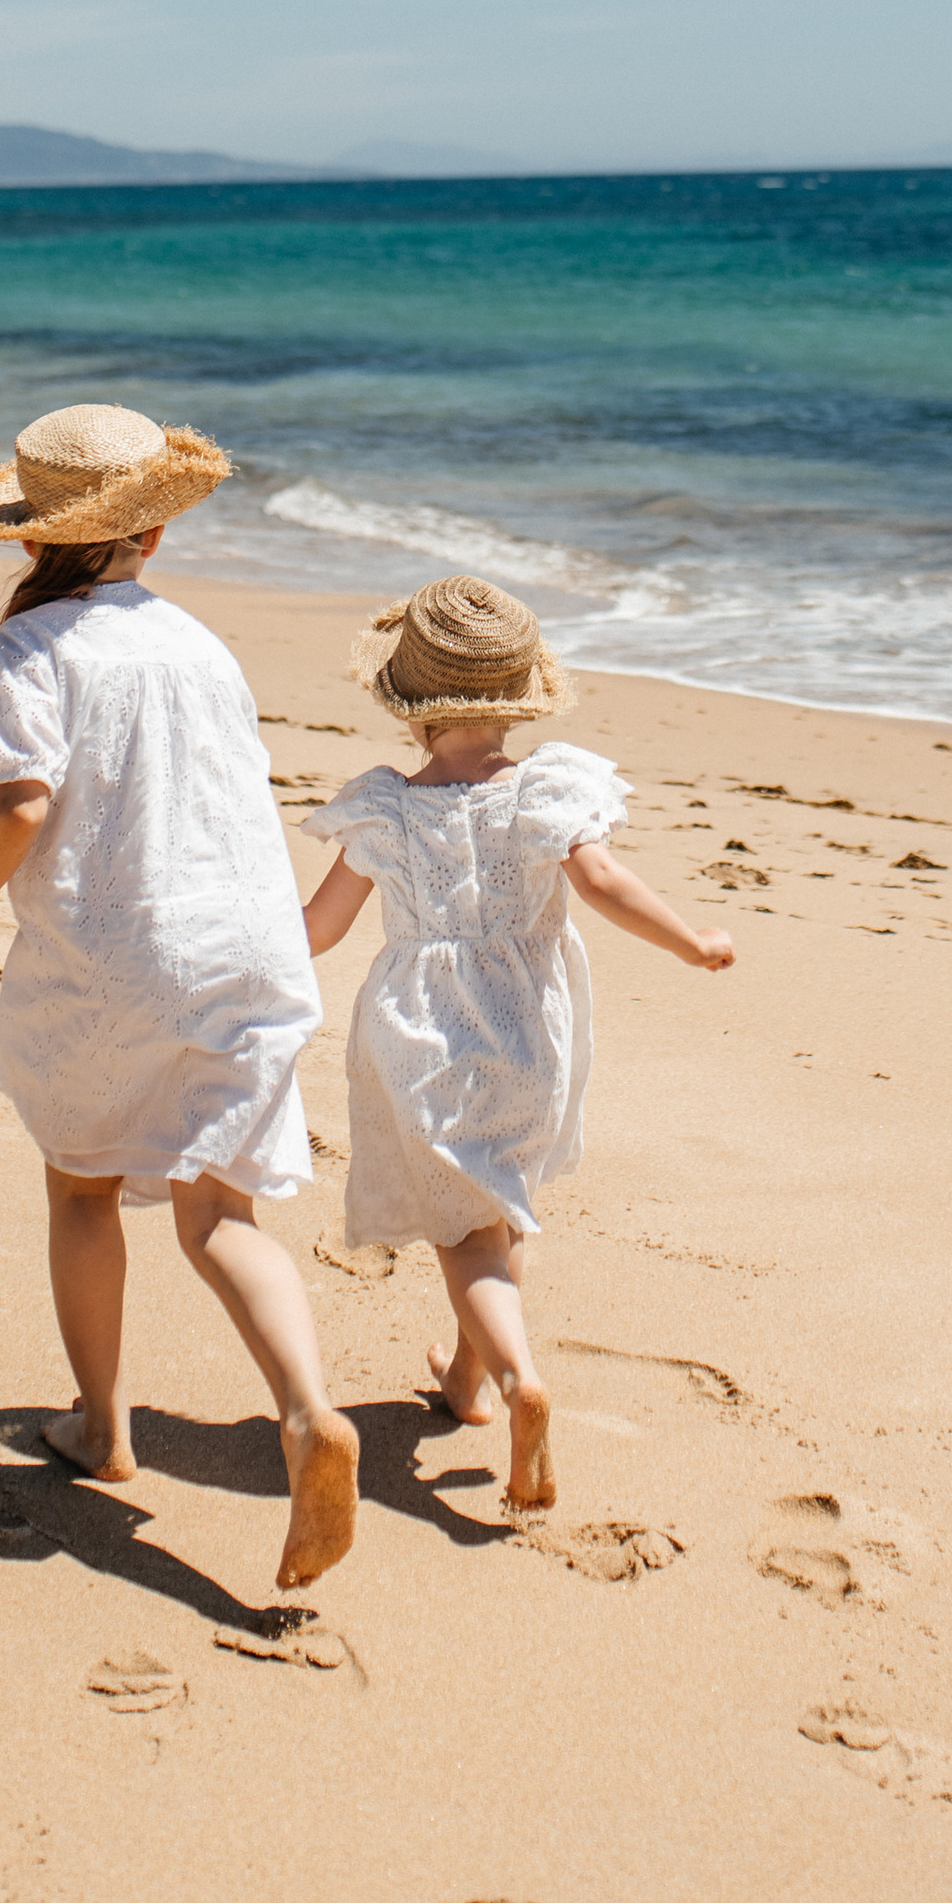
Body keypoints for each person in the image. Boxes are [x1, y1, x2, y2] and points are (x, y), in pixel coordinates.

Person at [0, 402, 357, 1594]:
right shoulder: (200, 644)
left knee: (83, 1188)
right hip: (245, 947)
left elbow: (21, 803)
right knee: (221, 1217)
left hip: (115, 958)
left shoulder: (28, 650)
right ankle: (307, 1411)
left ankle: (100, 1424)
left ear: (25, 536)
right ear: (151, 533)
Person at [300, 575, 732, 1515]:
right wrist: (689, 941)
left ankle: (517, 1376)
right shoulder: (545, 789)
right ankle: (468, 1383)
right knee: (497, 1202)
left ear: (409, 705)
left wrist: (236, 957)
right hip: (530, 1031)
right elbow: (604, 881)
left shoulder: (385, 808)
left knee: (464, 1232)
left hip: (422, 1037)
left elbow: (320, 929)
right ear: (519, 697)